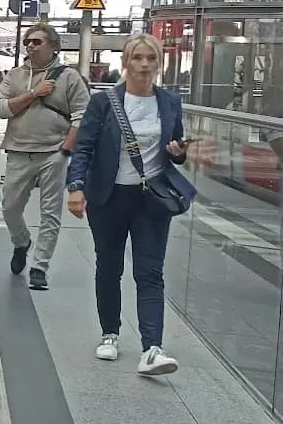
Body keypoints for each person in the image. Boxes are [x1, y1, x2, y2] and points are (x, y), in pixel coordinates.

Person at [66, 33, 194, 375]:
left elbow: (175, 149)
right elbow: (85, 148)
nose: (144, 65)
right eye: (138, 58)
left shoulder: (169, 102)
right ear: (127, 62)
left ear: (158, 63)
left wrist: (178, 153)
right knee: (109, 266)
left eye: (151, 58)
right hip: (108, 197)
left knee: (150, 272)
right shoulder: (104, 102)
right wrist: (75, 186)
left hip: (151, 199)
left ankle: (152, 347)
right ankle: (110, 333)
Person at [0, 24, 88, 289]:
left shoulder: (70, 77)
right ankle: (21, 242)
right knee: (10, 208)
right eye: (28, 42)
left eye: (37, 42)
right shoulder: (14, 76)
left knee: (50, 213)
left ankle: (40, 267)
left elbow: (82, 116)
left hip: (53, 153)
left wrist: (65, 151)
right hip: (18, 150)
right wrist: (34, 93)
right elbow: (1, 109)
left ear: (53, 46)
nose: (31, 46)